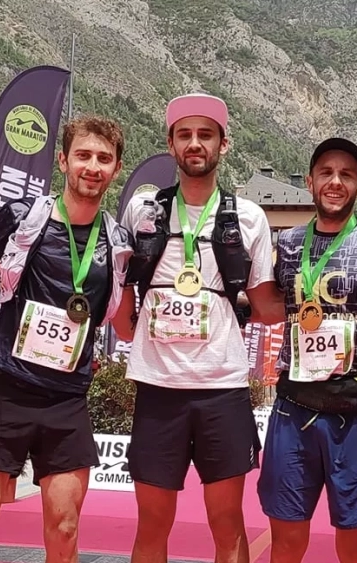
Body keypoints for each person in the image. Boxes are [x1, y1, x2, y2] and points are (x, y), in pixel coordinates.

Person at [0, 115, 133, 563]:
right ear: (63, 160)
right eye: (83, 155)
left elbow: (126, 324)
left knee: (65, 528)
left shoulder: (118, 243)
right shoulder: (23, 217)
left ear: (116, 169)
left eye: (104, 159)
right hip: (6, 389)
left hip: (67, 398)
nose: (92, 166)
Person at [115, 93, 283, 563]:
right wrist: (126, 326)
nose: (195, 143)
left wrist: (313, 305)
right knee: (152, 524)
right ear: (170, 143)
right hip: (158, 386)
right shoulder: (143, 211)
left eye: (205, 135)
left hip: (221, 389)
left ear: (223, 145)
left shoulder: (248, 218)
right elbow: (121, 289)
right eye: (184, 134)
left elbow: (267, 305)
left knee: (227, 523)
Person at [257, 137, 357, 563]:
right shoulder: (288, 244)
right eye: (326, 173)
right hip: (293, 411)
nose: (335, 182)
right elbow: (270, 307)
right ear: (310, 181)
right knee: (285, 544)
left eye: (346, 175)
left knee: (355, 550)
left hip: (356, 414)